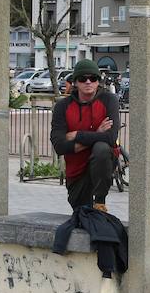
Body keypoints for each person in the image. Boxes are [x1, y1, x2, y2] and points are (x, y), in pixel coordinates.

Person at [50, 58, 120, 211]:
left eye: (93, 78)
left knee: (101, 148)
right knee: (81, 215)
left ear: (98, 81)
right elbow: (59, 145)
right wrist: (96, 134)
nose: (88, 82)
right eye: (83, 79)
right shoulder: (62, 106)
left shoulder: (109, 100)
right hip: (76, 171)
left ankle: (100, 201)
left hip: (102, 166)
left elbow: (110, 138)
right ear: (75, 82)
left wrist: (76, 135)